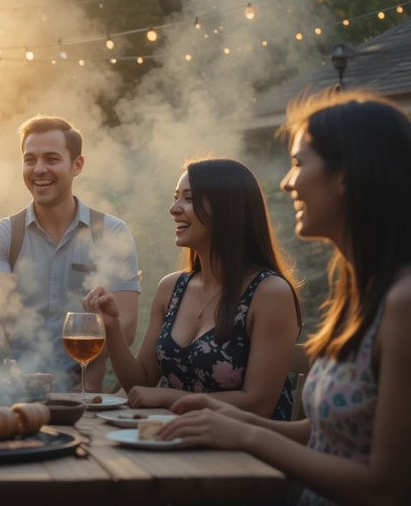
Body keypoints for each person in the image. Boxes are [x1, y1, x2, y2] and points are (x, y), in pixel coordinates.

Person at [161, 90, 411, 506]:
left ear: (345, 174)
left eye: (298, 164)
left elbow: (388, 487)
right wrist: (226, 417)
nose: (285, 182)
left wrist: (246, 433)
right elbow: (324, 433)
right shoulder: (362, 296)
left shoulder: (403, 303)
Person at [84, 158, 302, 418]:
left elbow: (258, 404)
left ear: (228, 208)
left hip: (243, 451)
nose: (173, 209)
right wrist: (112, 326)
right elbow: (140, 385)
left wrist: (170, 396)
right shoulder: (172, 288)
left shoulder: (269, 293)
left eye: (189, 198)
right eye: (176, 197)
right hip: (172, 439)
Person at [0, 115, 141, 392]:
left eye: (52, 159)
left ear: (77, 165)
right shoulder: (3, 235)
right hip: (15, 391)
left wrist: (88, 374)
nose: (39, 169)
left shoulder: (111, 233)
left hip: (87, 393)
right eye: (30, 159)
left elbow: (125, 327)